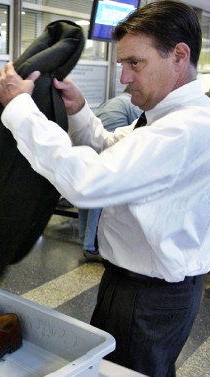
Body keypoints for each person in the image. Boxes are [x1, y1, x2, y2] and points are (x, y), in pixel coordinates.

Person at [0, 1, 210, 377]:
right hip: (130, 283)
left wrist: (20, 109)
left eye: (134, 63)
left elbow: (89, 182)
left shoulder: (189, 128)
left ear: (179, 55)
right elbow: (114, 150)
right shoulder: (166, 120)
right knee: (115, 370)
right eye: (122, 64)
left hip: (151, 295)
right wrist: (78, 111)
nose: (124, 78)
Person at [78, 86, 142, 261]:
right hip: (108, 152)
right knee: (100, 201)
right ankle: (91, 246)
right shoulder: (133, 105)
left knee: (88, 197)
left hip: (91, 148)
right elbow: (139, 134)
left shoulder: (113, 101)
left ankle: (84, 237)